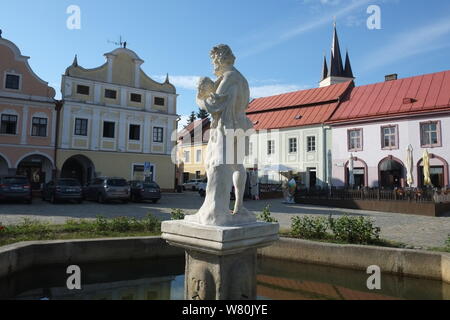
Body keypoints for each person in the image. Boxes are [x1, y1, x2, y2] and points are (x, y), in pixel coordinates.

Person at [185, 45, 255, 226]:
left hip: (226, 126)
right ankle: (238, 206)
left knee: (215, 164)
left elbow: (215, 105)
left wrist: (200, 97)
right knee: (238, 165)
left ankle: (215, 210)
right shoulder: (242, 79)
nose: (213, 65)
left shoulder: (229, 77)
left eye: (214, 61)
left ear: (221, 60)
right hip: (242, 124)